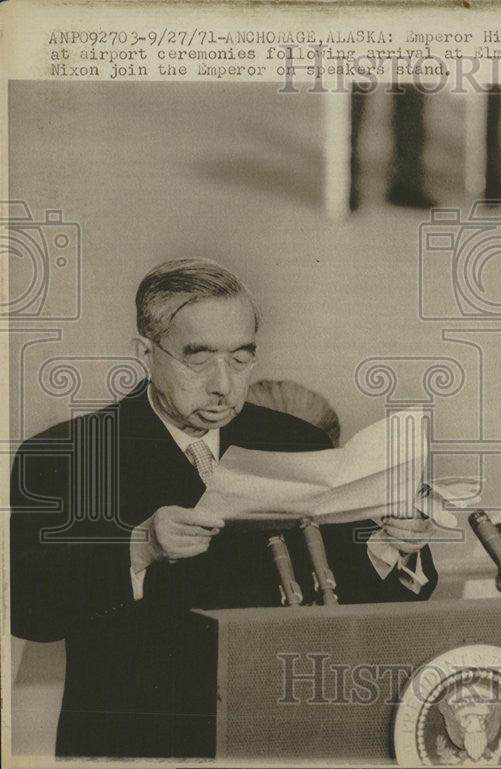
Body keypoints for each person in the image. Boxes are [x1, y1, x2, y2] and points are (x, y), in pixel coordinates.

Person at [9, 258, 438, 758]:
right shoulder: (71, 453)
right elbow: (30, 610)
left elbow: (349, 605)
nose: (222, 383)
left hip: (280, 742)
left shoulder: (296, 440)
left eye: (241, 358)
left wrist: (391, 546)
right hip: (135, 746)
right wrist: (138, 548)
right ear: (145, 354)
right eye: (199, 357)